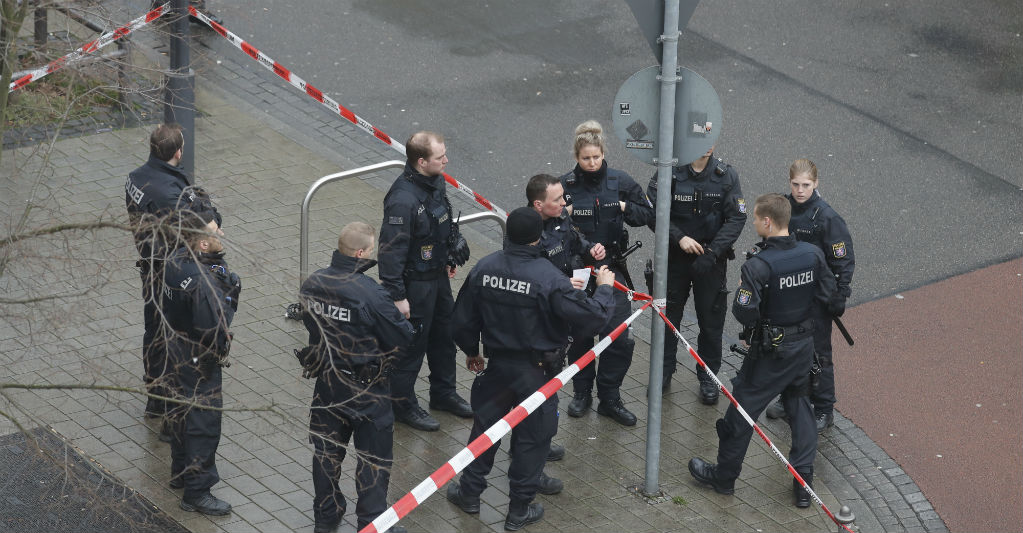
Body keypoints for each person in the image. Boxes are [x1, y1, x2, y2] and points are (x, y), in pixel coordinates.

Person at [445, 207, 616, 531]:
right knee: (531, 441)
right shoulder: (548, 277)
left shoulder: (485, 267)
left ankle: (469, 494)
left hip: (496, 371)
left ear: (508, 233)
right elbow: (593, 317)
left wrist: (471, 351)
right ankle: (518, 510)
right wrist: (605, 287)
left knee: (484, 433)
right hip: (537, 374)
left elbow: (462, 321)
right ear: (539, 237)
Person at [688, 193, 839, 508]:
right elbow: (830, 296)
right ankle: (803, 484)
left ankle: (724, 477)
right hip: (802, 349)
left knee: (740, 413)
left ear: (768, 222)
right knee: (800, 411)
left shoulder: (759, 265)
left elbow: (745, 312)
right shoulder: (812, 254)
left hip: (771, 354)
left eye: (756, 219)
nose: (754, 223)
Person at [299, 222, 415, 533]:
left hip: (328, 384)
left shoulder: (312, 283)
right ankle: (373, 522)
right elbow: (404, 336)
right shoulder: (371, 293)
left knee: (326, 455)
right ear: (361, 253)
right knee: (373, 460)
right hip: (367, 391)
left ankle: (326, 516)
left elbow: (312, 326)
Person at [560, 120, 653, 426]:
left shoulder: (619, 181)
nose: (592, 163)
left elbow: (648, 214)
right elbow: (548, 225)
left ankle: (610, 398)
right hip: (578, 270)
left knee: (620, 338)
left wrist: (625, 206)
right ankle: (581, 392)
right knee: (580, 338)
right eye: (586, 158)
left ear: (603, 154)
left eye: (596, 157)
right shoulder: (565, 188)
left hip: (613, 269)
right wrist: (567, 217)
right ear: (577, 157)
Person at [125, 123, 220, 426]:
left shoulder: (135, 178)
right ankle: (171, 407)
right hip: (173, 271)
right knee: (175, 337)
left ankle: (155, 398)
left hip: (151, 264)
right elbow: (209, 225)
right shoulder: (171, 193)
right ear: (178, 151)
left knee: (154, 332)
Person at [378, 131, 472, 431]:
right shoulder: (402, 200)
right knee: (411, 346)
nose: (446, 160)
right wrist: (396, 295)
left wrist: (449, 252)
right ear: (421, 162)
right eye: (439, 157)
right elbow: (391, 252)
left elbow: (438, 220)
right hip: (414, 285)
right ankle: (402, 405)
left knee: (444, 337)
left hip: (437, 277)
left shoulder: (435, 182)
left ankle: (443, 394)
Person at [647, 146, 746, 403]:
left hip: (710, 260)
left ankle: (709, 378)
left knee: (711, 323)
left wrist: (712, 253)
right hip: (675, 258)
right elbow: (653, 212)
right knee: (667, 320)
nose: (707, 144)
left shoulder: (726, 175)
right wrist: (679, 238)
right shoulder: (670, 171)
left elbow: (736, 218)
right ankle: (664, 372)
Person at [765, 159, 855, 432]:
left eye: (806, 185)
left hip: (816, 298)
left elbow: (843, 259)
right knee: (787, 347)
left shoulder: (827, 218)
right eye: (795, 184)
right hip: (787, 293)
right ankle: (789, 396)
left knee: (818, 354)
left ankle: (824, 408)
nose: (800, 190)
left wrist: (840, 294)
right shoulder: (782, 207)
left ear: (816, 184)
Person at [524, 173, 607, 463]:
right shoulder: (527, 232)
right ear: (538, 204)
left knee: (580, 348)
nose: (564, 203)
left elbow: (575, 240)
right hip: (546, 313)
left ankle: (581, 395)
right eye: (557, 199)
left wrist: (590, 249)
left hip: (570, 298)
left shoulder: (562, 218)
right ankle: (530, 444)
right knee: (542, 383)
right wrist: (560, 283)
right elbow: (528, 275)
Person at [161, 210, 239, 516]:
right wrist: (229, 295)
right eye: (214, 232)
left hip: (176, 347)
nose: (220, 233)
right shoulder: (205, 283)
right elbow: (215, 329)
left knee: (180, 411)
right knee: (203, 423)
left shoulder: (175, 261)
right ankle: (197, 491)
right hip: (199, 358)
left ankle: (180, 471)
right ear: (201, 245)